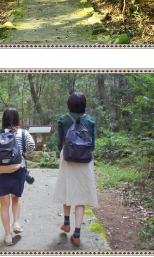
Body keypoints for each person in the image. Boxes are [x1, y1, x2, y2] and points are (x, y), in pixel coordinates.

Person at [53, 92, 97, 247]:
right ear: (84, 104)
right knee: (81, 194)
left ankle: (66, 223)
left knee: (67, 189)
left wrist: (65, 152)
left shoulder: (63, 119)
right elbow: (93, 144)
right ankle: (77, 233)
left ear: (69, 103)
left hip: (68, 158)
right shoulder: (90, 120)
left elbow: (60, 143)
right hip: (85, 160)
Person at [0, 108, 35, 246]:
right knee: (16, 198)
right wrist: (23, 153)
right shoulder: (23, 133)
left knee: (4, 204)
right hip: (17, 169)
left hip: (0, 171)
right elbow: (32, 145)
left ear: (4, 118)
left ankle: (8, 236)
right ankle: (16, 223)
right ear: (17, 118)